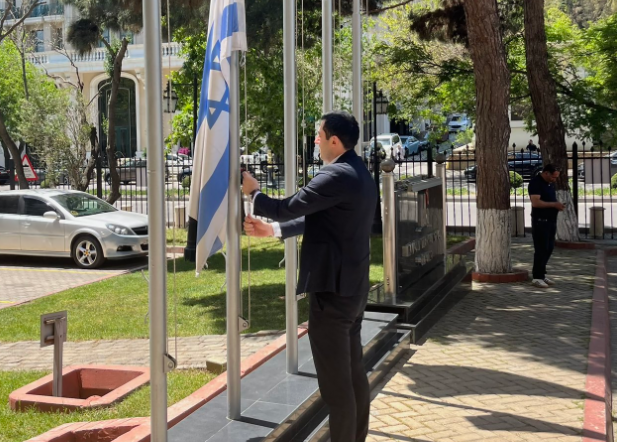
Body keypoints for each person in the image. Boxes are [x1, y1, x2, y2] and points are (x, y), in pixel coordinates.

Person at [242, 111, 377, 442]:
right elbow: (320, 218)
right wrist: (273, 231)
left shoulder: (335, 175)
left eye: (320, 134)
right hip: (353, 290)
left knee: (336, 389)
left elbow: (287, 207)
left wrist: (254, 193)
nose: (315, 140)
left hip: (332, 294)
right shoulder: (359, 172)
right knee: (353, 375)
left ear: (334, 141)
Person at [528, 164, 565, 288]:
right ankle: (537, 277)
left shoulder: (549, 184)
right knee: (541, 249)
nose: (554, 179)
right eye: (553, 177)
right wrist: (554, 205)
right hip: (540, 221)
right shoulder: (536, 183)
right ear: (546, 173)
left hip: (550, 220)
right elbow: (536, 202)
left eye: (556, 177)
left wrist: (557, 205)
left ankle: (542, 274)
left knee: (549, 248)